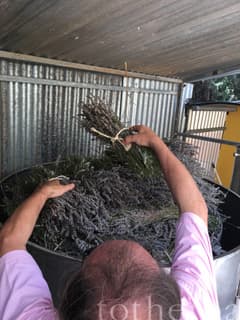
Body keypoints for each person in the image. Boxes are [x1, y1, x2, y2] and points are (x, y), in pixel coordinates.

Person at [0, 125, 220, 320]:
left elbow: (9, 241)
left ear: (64, 305)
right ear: (173, 306)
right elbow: (195, 208)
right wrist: (156, 144)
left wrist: (43, 193)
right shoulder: (195, 310)